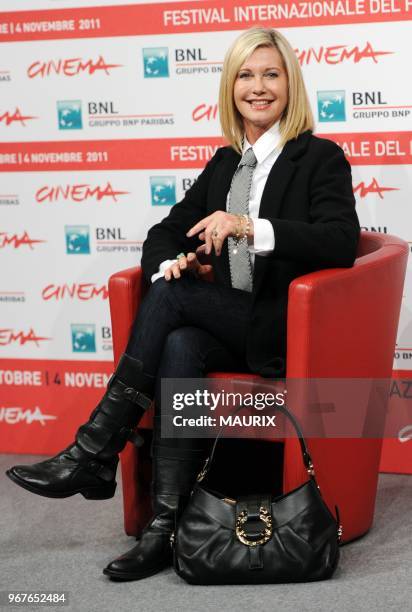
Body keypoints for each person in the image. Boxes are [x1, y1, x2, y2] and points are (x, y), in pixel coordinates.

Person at [6, 27, 360, 582]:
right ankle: (166, 527)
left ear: (291, 85)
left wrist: (247, 226)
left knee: (172, 303)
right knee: (178, 337)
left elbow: (341, 239)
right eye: (246, 75)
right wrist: (170, 262)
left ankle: (93, 452)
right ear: (230, 86)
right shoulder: (225, 164)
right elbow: (165, 230)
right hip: (229, 324)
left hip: (283, 329)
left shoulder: (318, 158)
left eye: (272, 74)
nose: (259, 87)